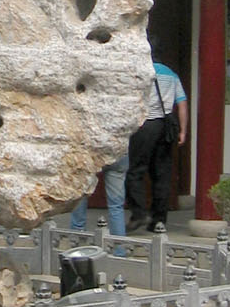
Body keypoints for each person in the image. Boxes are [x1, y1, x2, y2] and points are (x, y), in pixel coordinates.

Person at [125, 57, 188, 233]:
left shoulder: (141, 72)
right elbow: (182, 103)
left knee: (135, 170)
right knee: (162, 174)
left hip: (146, 124)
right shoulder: (171, 74)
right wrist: (183, 131)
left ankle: (139, 213)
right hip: (167, 126)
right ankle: (159, 219)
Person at [69, 153, 129, 243]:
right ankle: (119, 247)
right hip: (118, 154)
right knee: (116, 205)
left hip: (90, 153)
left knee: (80, 196)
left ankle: (77, 240)